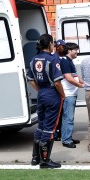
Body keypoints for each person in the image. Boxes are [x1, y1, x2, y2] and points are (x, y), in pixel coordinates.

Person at [27, 34, 65, 169]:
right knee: (50, 127)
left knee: (40, 126)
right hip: (52, 94)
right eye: (53, 43)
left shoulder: (33, 59)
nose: (54, 44)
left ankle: (35, 157)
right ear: (49, 44)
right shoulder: (52, 60)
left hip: (41, 94)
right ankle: (45, 160)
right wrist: (63, 95)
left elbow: (31, 80)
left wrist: (41, 91)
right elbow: (58, 83)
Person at [60, 42, 85, 148]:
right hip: (68, 94)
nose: (77, 52)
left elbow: (74, 75)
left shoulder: (70, 61)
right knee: (68, 118)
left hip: (71, 93)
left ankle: (68, 137)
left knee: (69, 117)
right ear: (69, 51)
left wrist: (82, 82)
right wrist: (80, 85)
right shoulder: (65, 62)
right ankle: (66, 140)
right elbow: (68, 78)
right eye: (75, 50)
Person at [53, 39, 66, 141]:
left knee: (61, 112)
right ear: (57, 47)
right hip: (56, 89)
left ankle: (60, 131)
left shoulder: (62, 57)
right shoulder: (54, 58)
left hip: (61, 86)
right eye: (62, 46)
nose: (64, 47)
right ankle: (56, 133)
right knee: (57, 113)